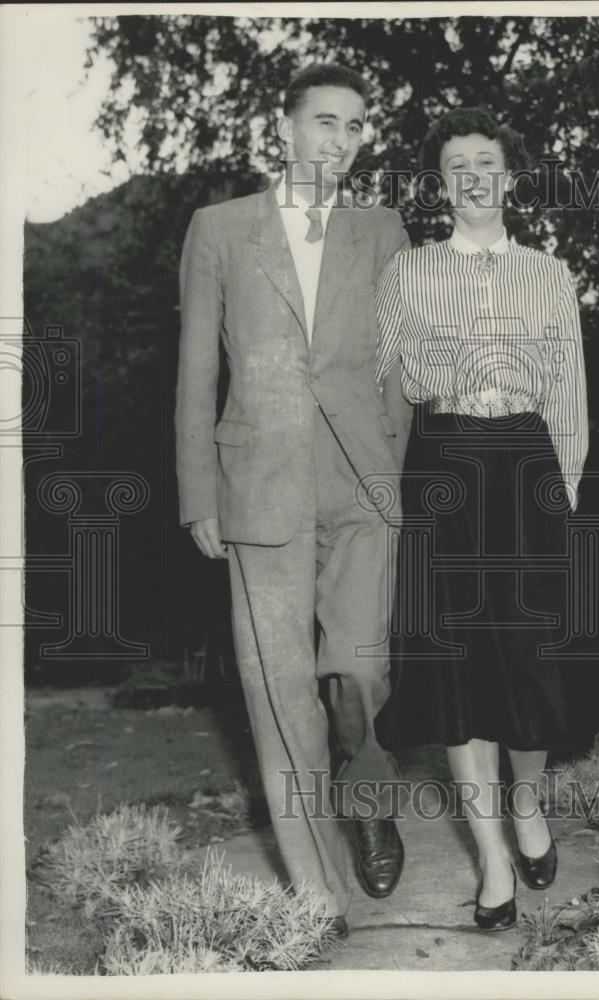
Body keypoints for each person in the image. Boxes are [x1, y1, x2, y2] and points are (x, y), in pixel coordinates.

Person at [175, 63, 411, 937]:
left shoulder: (382, 228)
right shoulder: (220, 230)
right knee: (278, 696)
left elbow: (398, 370)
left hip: (361, 486)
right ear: (281, 127)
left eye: (354, 126)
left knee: (358, 669)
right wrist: (200, 490)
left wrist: (391, 473)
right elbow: (198, 370)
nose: (340, 142)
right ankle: (319, 895)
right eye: (324, 122)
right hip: (259, 487)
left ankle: (369, 785)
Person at [374, 107, 599, 931]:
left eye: (486, 162)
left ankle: (528, 805)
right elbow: (394, 384)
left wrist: (568, 501)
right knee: (455, 669)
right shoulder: (407, 272)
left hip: (526, 469)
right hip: (443, 468)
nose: (473, 177)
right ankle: (490, 860)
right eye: (455, 166)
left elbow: (570, 398)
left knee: (528, 654)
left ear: (510, 177)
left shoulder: (551, 275)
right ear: (441, 185)